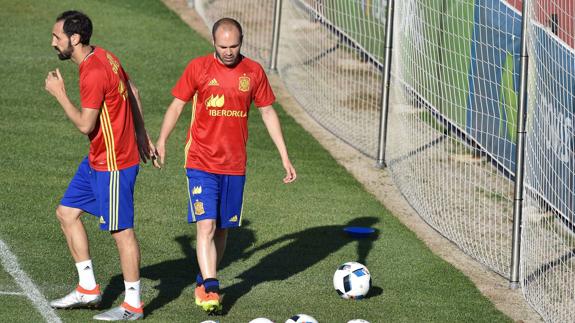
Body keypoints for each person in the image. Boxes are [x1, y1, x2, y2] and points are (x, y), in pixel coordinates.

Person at [155, 17, 297, 313]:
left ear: (241, 43)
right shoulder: (199, 68)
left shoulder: (254, 72)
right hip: (200, 161)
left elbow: (268, 112)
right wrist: (162, 140)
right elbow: (177, 105)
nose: (229, 51)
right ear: (213, 43)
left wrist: (284, 155)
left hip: (234, 166)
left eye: (234, 46)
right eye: (223, 46)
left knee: (222, 229)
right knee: (205, 224)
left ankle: (202, 279)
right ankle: (211, 287)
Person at [45, 10, 158, 321]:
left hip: (113, 164)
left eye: (58, 37)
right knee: (66, 213)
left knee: (122, 232)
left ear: (75, 39)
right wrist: (141, 133)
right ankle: (88, 288)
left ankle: (133, 305)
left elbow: (85, 124)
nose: (53, 42)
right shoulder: (105, 55)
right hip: (97, 158)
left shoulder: (93, 72)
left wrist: (60, 95)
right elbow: (132, 90)